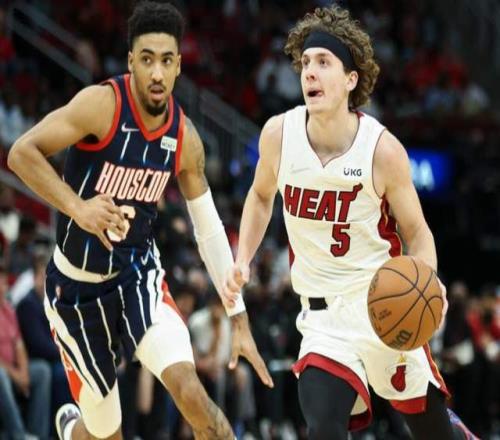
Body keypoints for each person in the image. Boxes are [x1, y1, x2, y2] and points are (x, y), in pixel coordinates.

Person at [8, 2, 273, 439]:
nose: (156, 73)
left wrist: (238, 316)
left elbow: (208, 229)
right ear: (131, 61)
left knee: (190, 391)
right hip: (75, 291)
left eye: (166, 61)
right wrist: (79, 207)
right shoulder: (101, 105)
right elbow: (21, 154)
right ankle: (72, 429)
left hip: (137, 278)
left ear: (178, 66)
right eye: (147, 59)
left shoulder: (184, 137)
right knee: (105, 432)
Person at [224, 5, 478, 440]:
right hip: (323, 319)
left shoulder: (382, 151)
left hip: (384, 303)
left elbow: (418, 233)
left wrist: (428, 282)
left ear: (350, 80)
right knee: (323, 426)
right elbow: (261, 196)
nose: (309, 72)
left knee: (433, 434)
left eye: (324, 62)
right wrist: (243, 259)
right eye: (305, 62)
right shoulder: (278, 136)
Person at [0, 262, 51, 440]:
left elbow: (19, 345)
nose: (4, 287)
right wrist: (16, 374)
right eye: (1, 282)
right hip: (4, 372)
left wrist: (23, 371)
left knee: (42, 370)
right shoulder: (26, 304)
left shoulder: (8, 310)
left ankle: (38, 434)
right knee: (1, 375)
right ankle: (19, 435)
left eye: (4, 282)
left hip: (13, 369)